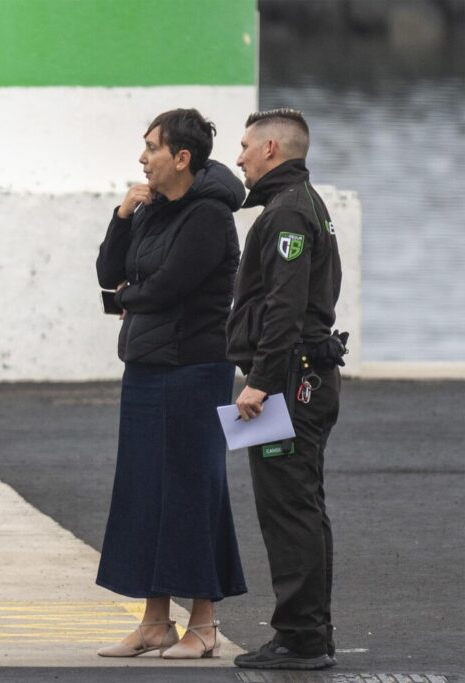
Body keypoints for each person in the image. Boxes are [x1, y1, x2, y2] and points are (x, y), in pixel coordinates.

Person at [95, 108, 247, 660]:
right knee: (143, 488)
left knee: (191, 489)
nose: (142, 156)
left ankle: (203, 624)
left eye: (152, 147)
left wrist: (125, 299)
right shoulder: (150, 209)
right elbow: (109, 272)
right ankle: (154, 622)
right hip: (145, 365)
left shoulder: (209, 216)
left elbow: (168, 287)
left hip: (194, 369)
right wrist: (121, 214)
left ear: (182, 158)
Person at [228, 108, 346, 671]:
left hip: (291, 381)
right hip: (303, 375)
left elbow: (284, 308)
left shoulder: (288, 213)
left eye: (246, 146)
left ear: (272, 149)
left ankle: (301, 638)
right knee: (302, 507)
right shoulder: (304, 204)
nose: (239, 157)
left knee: (289, 510)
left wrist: (260, 382)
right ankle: (310, 633)